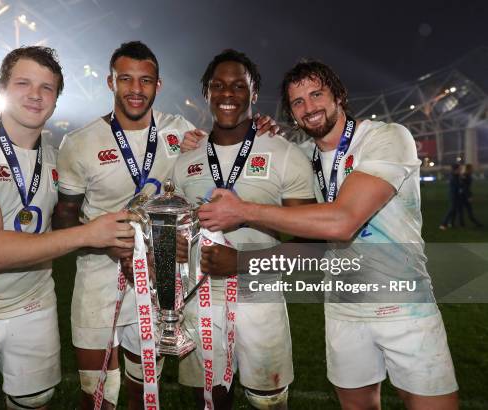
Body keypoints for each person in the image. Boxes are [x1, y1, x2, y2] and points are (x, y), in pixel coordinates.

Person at [195, 59, 459, 410]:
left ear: (339, 96)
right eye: (298, 102)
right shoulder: (302, 157)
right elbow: (310, 241)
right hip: (342, 310)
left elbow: (343, 221)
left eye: (317, 94)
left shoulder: (387, 137)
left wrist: (243, 210)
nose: (310, 107)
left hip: (402, 304)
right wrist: (201, 142)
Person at [53, 41, 280, 409]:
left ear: (158, 85)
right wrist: (104, 242)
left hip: (158, 280)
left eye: (145, 80)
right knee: (98, 394)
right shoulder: (79, 143)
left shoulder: (182, 132)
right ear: (110, 83)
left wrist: (262, 125)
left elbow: (225, 148)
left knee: (144, 390)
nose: (135, 89)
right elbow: (63, 218)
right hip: (99, 278)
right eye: (125, 79)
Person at [0, 46, 135, 410]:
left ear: (56, 99)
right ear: (2, 88)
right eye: (23, 83)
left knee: (35, 402)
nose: (35, 95)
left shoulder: (53, 156)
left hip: (34, 305)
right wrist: (88, 233)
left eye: (47, 88)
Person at [173, 49, 315, 410]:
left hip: (260, 303)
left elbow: (312, 244)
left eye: (239, 86)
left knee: (268, 402)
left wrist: (242, 262)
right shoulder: (186, 159)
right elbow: (176, 229)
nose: (227, 94)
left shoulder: (284, 154)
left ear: (253, 94)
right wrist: (175, 245)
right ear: (206, 92)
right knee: (210, 400)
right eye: (218, 85)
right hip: (200, 305)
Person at [457, 163, 483, 228]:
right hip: (463, 195)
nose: (473, 169)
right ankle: (475, 223)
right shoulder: (466, 175)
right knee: (467, 210)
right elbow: (465, 187)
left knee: (463, 210)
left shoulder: (466, 175)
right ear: (468, 169)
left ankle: (462, 224)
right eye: (471, 168)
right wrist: (468, 196)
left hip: (463, 195)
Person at [439, 163, 462, 230]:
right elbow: (457, 186)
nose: (460, 169)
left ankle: (451, 223)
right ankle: (443, 224)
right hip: (454, 195)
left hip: (456, 195)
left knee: (454, 210)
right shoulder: (454, 176)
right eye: (459, 168)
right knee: (452, 210)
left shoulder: (456, 175)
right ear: (456, 169)